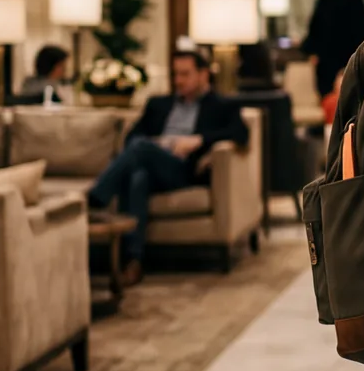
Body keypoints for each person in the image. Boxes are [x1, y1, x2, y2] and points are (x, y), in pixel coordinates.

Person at [87, 48, 249, 284]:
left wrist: (199, 140)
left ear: (203, 75)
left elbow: (241, 133)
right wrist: (158, 144)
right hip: (152, 163)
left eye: (185, 74)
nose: (179, 81)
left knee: (142, 147)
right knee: (138, 177)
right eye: (176, 75)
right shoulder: (158, 104)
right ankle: (134, 261)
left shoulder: (221, 105)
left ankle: (95, 197)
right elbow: (131, 137)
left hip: (183, 170)